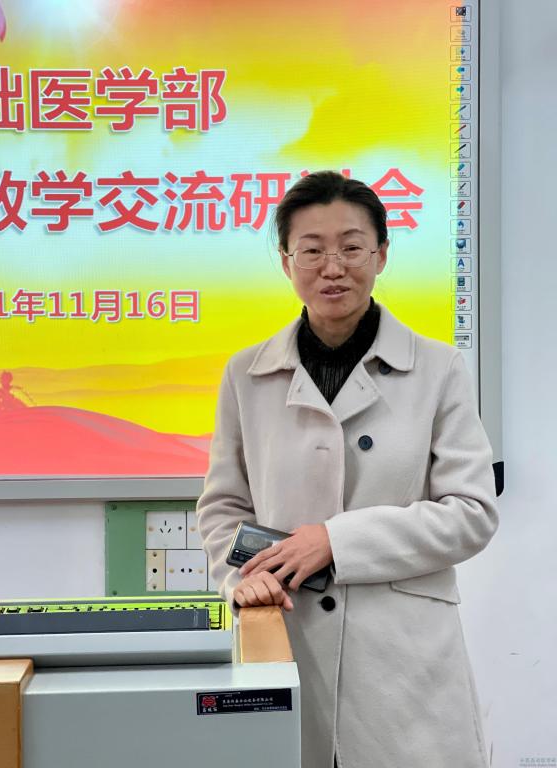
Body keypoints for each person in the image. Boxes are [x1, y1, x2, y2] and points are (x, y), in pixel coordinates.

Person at [196, 171, 498, 768]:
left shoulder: (438, 369)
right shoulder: (245, 375)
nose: (332, 267)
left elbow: (471, 514)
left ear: (381, 254)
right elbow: (223, 507)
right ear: (287, 262)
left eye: (351, 247)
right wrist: (241, 579)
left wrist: (335, 541)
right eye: (311, 250)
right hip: (287, 640)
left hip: (404, 664)